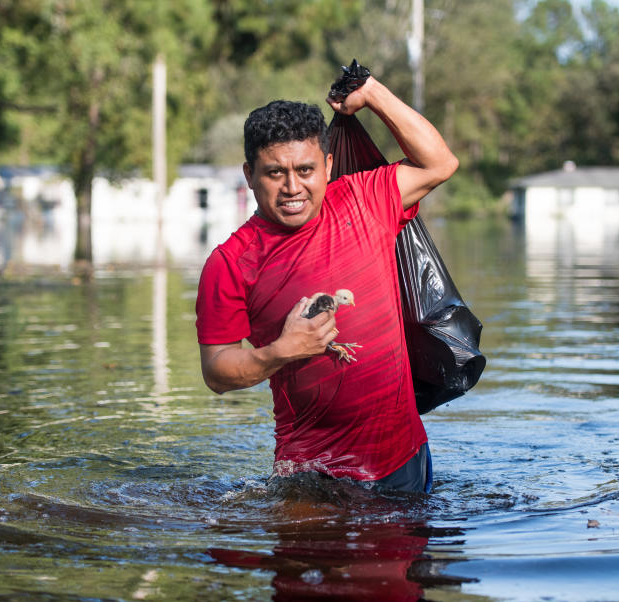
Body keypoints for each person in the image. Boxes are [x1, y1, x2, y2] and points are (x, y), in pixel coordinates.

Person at [195, 75, 458, 493]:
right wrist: (279, 353)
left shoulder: (364, 199)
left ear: (328, 166)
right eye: (274, 173)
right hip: (309, 473)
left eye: (305, 170)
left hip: (402, 459)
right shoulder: (230, 262)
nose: (292, 187)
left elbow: (439, 163)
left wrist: (372, 94)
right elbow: (216, 372)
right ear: (249, 174)